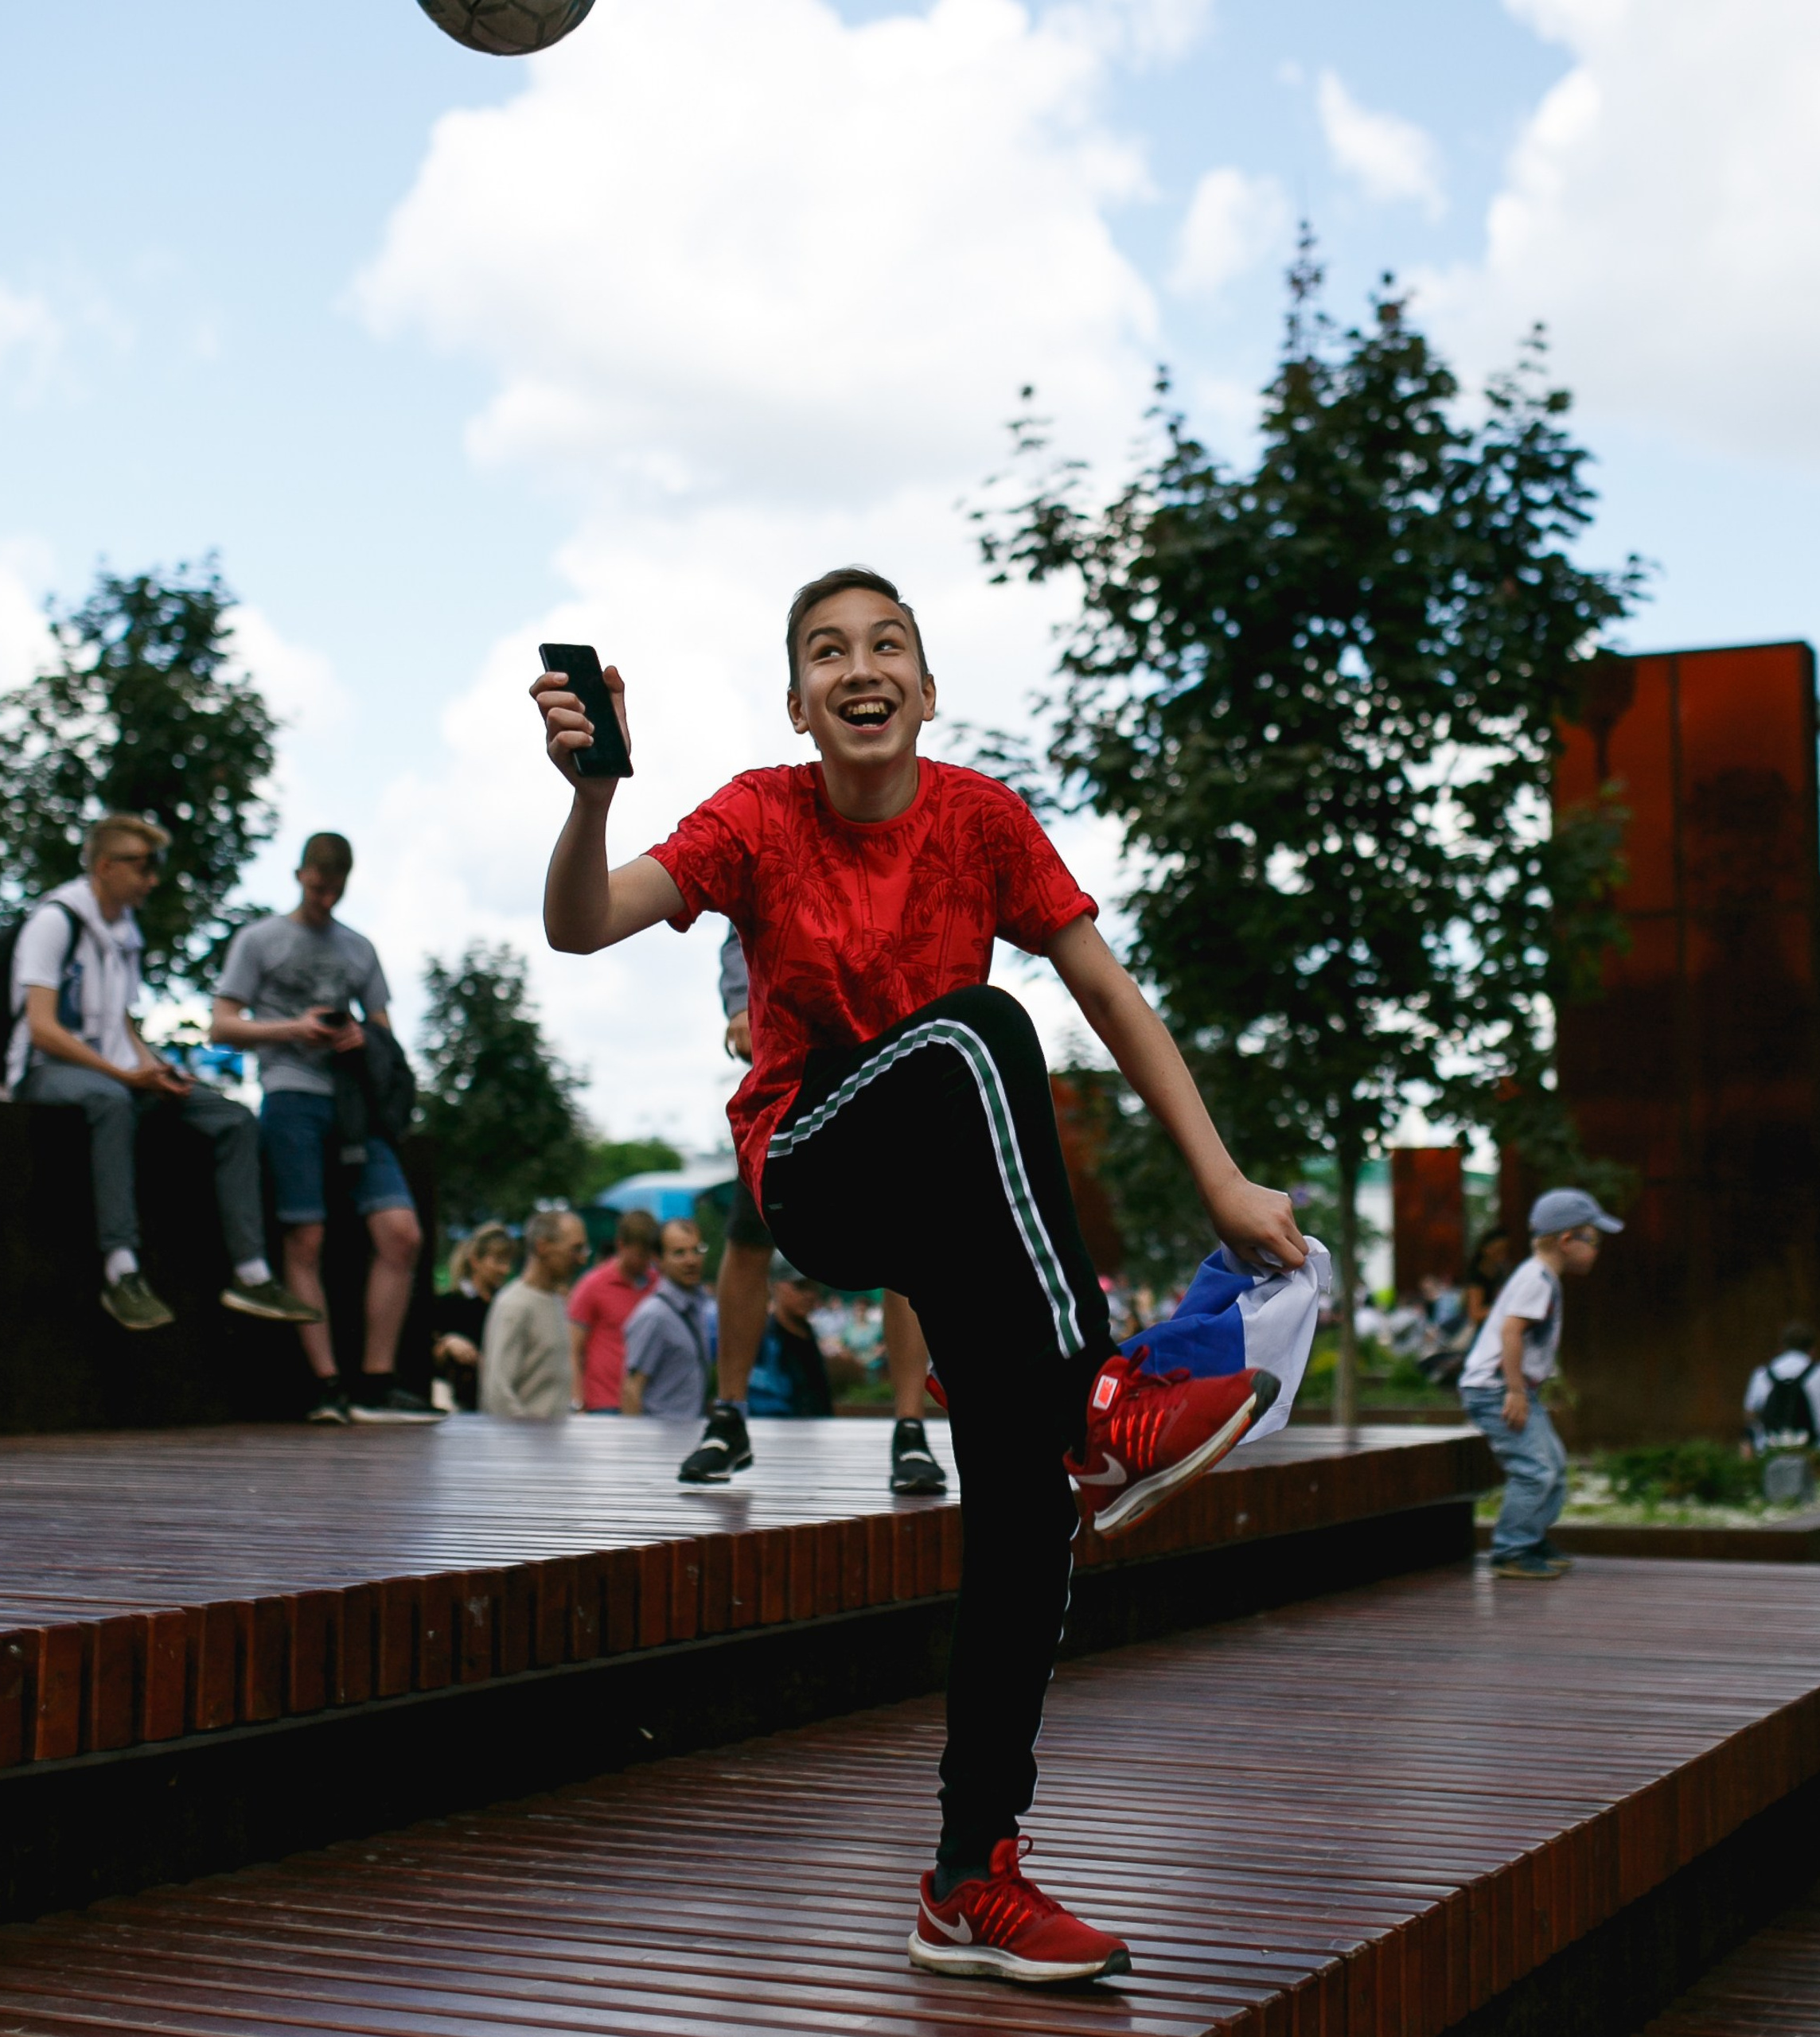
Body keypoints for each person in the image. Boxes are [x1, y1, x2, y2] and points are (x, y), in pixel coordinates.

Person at [532, 563, 1308, 1985]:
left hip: (956, 1201)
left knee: (1023, 1516)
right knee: (976, 1032)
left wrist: (1219, 1176)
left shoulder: (981, 819)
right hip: (817, 1162)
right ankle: (1097, 1398)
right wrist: (593, 794)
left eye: (888, 645)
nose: (860, 667)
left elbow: (1110, 990)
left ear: (928, 690)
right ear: (799, 703)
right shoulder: (759, 813)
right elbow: (582, 924)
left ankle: (969, 1876)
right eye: (828, 652)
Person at [10, 812, 317, 1334]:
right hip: (46, 1072)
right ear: (105, 866)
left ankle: (251, 1273)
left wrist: (157, 1068)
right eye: (143, 865)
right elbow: (41, 1028)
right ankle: (122, 1271)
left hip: (114, 1073)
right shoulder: (55, 921)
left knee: (232, 1118)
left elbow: (120, 1024)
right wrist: (124, 1077)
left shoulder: (124, 930)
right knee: (111, 1101)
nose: (152, 879)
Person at [677, 924, 947, 1493]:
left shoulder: (891, 839)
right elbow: (738, 932)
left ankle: (909, 1427)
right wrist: (738, 1006)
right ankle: (728, 1415)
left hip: (879, 1045)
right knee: (749, 1236)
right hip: (791, 1059)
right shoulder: (784, 836)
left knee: (905, 1242)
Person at [212, 832, 435, 1424]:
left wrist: (362, 1035)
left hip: (353, 1103)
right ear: (299, 875)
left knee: (401, 1234)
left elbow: (387, 1034)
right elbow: (223, 1025)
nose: (325, 897)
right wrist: (293, 1029)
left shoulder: (360, 948)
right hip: (290, 1093)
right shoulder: (259, 939)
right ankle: (326, 1385)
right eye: (317, 886)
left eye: (335, 889)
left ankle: (377, 1380)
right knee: (304, 1238)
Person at [1458, 1188, 1622, 1581]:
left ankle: (1530, 1540)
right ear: (1567, 1241)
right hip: (1495, 1388)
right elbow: (1511, 1333)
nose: (1597, 1249)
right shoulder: (1537, 1279)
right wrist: (1515, 1391)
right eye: (1594, 1239)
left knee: (1554, 1466)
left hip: (1512, 1386)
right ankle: (1512, 1548)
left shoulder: (1541, 1276)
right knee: (1535, 1470)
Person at [480, 1209, 587, 1417]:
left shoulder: (555, 1300)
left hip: (552, 1442)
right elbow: (497, 1392)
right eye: (575, 1249)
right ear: (543, 1247)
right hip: (527, 1444)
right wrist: (524, 1442)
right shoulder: (515, 1305)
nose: (581, 1259)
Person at [567, 1209, 661, 1412]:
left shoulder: (657, 1285)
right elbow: (573, 1349)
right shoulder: (593, 1285)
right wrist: (577, 1403)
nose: (645, 1262)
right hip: (604, 1402)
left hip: (645, 1402)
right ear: (621, 1245)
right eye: (639, 1254)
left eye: (649, 1255)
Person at [623, 1217, 717, 1417]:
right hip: (662, 1435)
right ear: (659, 1260)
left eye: (697, 1250)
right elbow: (632, 1387)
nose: (691, 1260)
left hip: (692, 1429)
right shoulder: (654, 1315)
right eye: (679, 1253)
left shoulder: (700, 1306)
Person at [430, 1222, 516, 1412]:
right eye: (499, 1261)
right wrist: (448, 1343)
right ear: (475, 1260)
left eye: (508, 1262)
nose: (505, 1270)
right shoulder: (449, 1303)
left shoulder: (505, 1305)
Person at [1743, 1321, 1820, 1456]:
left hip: (1771, 1449)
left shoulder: (1761, 1373)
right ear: (1812, 1349)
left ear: (1781, 1347)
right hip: (1819, 1450)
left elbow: (1749, 1415)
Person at [746, 1254, 833, 1417]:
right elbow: (764, 1403)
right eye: (800, 1286)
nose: (810, 1294)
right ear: (775, 1286)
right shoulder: (766, 1342)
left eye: (814, 1286)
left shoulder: (807, 1333)